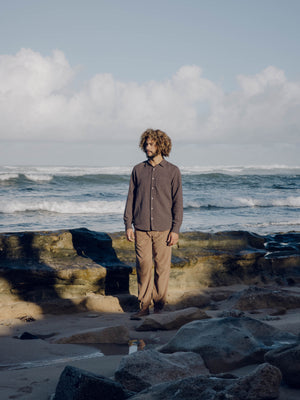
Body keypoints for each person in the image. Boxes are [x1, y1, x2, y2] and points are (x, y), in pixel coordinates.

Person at [124, 129, 183, 319]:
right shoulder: (138, 170)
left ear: (161, 146)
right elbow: (130, 199)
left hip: (164, 228)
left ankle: (159, 306)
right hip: (141, 227)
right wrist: (128, 224)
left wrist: (175, 230)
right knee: (143, 266)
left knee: (162, 269)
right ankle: (144, 306)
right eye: (146, 144)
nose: (147, 147)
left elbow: (178, 203)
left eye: (151, 144)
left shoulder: (173, 171)